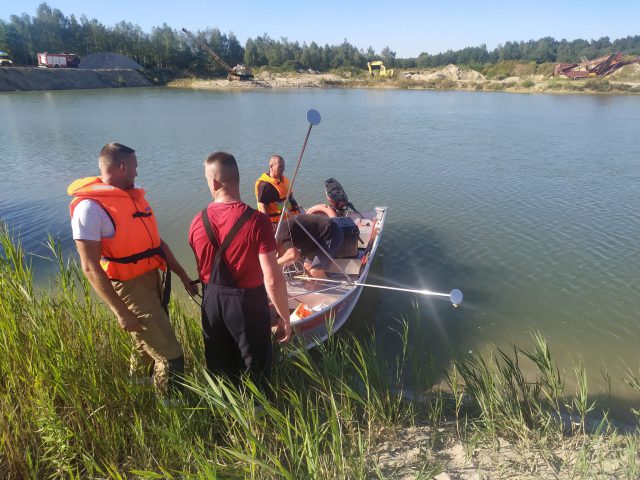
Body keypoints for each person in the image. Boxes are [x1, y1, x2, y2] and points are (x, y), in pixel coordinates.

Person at [68, 142, 195, 397]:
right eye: (134, 167)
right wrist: (120, 311)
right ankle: (172, 410)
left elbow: (157, 245)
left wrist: (183, 276)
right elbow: (90, 268)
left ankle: (138, 393)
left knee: (143, 346)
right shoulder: (89, 209)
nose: (137, 173)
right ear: (122, 167)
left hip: (151, 279)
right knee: (171, 355)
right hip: (128, 287)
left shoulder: (133, 200)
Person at [189, 151, 291, 383]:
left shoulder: (197, 220)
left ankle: (227, 413)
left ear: (214, 182)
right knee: (256, 370)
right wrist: (284, 317)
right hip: (248, 304)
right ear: (236, 178)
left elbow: (203, 267)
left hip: (211, 303)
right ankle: (257, 415)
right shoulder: (258, 221)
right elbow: (272, 278)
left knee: (220, 369)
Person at [275, 214, 344, 280]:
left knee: (315, 271)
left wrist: (272, 264)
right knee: (307, 266)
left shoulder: (282, 230)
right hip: (315, 239)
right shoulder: (279, 237)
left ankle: (329, 289)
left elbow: (293, 255)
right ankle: (317, 286)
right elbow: (282, 254)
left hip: (330, 233)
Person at [254, 154, 301, 227]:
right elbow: (262, 209)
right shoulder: (265, 186)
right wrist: (268, 227)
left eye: (284, 166)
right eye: (280, 167)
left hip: (290, 218)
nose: (283, 169)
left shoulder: (284, 180)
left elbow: (289, 198)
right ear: (271, 167)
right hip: (278, 225)